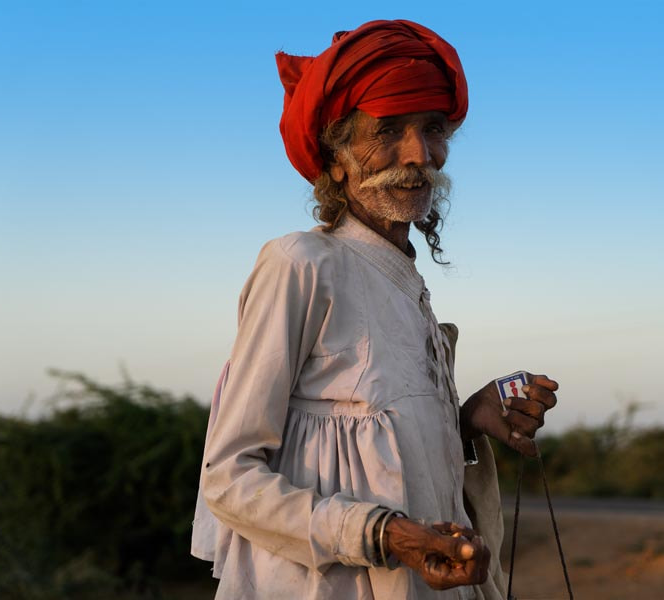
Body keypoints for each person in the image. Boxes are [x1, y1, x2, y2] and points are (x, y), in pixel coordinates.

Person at [191, 19, 559, 600]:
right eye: (387, 130)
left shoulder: (407, 284)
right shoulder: (302, 264)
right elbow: (229, 478)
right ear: (335, 158)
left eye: (433, 129)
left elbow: (382, 439)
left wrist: (468, 418)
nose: (418, 154)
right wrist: (386, 535)